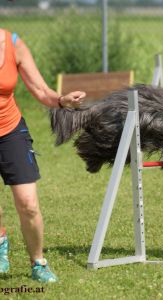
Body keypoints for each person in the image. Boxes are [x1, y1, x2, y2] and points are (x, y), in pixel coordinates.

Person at [0, 28, 86, 283]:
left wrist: (62, 100)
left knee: (28, 203)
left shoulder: (13, 43)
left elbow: (40, 90)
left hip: (10, 130)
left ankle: (38, 262)